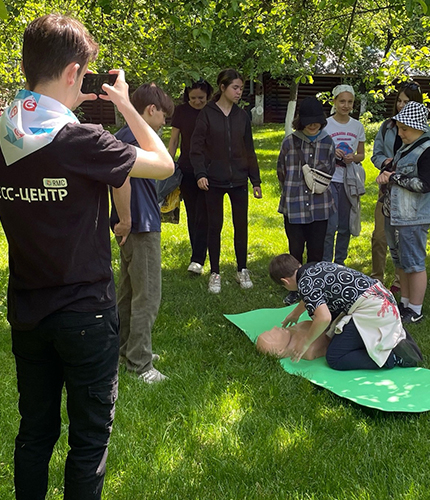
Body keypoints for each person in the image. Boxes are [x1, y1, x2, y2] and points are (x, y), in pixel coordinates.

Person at [0, 14, 174, 499]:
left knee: (34, 433)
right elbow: (164, 163)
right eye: (83, 77)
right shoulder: (83, 140)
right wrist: (125, 104)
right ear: (74, 72)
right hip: (85, 315)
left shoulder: (4, 133)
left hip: (28, 312)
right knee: (88, 442)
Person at [110, 83, 174, 383]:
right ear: (151, 110)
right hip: (141, 225)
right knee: (147, 295)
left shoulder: (124, 135)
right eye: (163, 116)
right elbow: (119, 179)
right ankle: (139, 363)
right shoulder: (137, 138)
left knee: (129, 292)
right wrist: (125, 219)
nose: (164, 123)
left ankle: (125, 348)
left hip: (133, 224)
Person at [268, 254, 423, 370]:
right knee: (339, 335)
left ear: (285, 281)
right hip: (383, 299)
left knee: (335, 357)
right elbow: (313, 295)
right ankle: (392, 338)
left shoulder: (305, 285)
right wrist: (295, 313)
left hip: (373, 311)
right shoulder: (313, 267)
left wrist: (305, 342)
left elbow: (323, 318)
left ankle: (392, 358)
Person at [190, 68, 262, 294]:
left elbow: (249, 149)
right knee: (215, 226)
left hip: (239, 180)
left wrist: (255, 180)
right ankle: (215, 272)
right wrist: (201, 173)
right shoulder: (207, 114)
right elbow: (196, 148)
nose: (239, 92)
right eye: (235, 87)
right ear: (223, 88)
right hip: (213, 181)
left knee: (241, 226)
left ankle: (242, 269)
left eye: (241, 88)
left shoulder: (242, 116)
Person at [377, 101, 430, 324]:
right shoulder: (406, 146)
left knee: (414, 263)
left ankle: (416, 308)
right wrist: (385, 174)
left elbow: (425, 185)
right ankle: (404, 303)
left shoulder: (429, 151)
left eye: (404, 129)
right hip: (395, 215)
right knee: (400, 262)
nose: (400, 133)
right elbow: (393, 168)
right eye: (399, 128)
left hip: (413, 217)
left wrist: (393, 177)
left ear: (418, 127)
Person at [277, 97, 336, 305]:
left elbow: (330, 170)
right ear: (301, 121)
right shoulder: (289, 142)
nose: (313, 125)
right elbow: (281, 171)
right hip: (294, 206)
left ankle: (314, 288)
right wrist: (292, 191)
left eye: (317, 121)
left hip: (320, 206)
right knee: (295, 250)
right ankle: (295, 288)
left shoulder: (328, 142)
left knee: (316, 250)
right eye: (309, 121)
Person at [371, 81, 425, 293]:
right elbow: (376, 154)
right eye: (399, 101)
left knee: (401, 238)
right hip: (386, 189)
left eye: (407, 102)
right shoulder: (387, 126)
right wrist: (385, 163)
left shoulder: (423, 132)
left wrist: (401, 169)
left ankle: (399, 281)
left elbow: (424, 163)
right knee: (379, 236)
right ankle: (376, 279)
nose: (401, 106)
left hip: (408, 192)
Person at [168, 79, 213, 274]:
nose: (196, 101)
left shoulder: (213, 111)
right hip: (186, 168)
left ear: (208, 96)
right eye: (192, 98)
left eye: (201, 98)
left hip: (209, 169)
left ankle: (199, 258)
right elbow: (174, 140)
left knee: (205, 214)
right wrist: (168, 163)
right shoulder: (181, 111)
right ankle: (197, 256)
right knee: (192, 214)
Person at [323, 84, 366, 265]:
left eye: (350, 102)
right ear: (334, 101)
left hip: (349, 180)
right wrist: (332, 153)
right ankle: (326, 263)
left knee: (345, 225)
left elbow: (361, 154)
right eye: (342, 101)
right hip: (330, 179)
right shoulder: (326, 125)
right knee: (330, 225)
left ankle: (340, 263)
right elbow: (319, 152)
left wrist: (353, 157)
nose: (346, 105)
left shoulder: (357, 126)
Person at [256, 321, 331, 360]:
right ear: (280, 351)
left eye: (269, 331)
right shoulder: (310, 349)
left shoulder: (289, 332)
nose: (274, 328)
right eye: (273, 335)